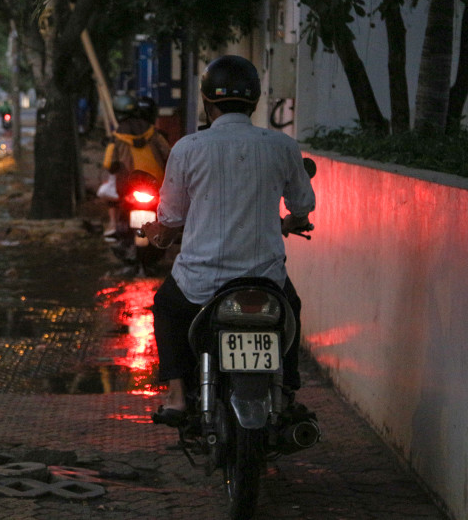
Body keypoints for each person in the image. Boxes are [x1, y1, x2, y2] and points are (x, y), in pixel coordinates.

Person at [141, 55, 316, 423]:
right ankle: (287, 389)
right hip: (265, 280)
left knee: (166, 308)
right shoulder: (282, 146)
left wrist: (159, 236)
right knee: (291, 307)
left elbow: (171, 218)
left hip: (199, 284)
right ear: (254, 102)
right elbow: (303, 205)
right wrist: (291, 221)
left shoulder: (188, 148)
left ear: (207, 102)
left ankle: (176, 396)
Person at [101, 93, 171, 237]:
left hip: (129, 187)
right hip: (156, 185)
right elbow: (169, 155)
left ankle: (115, 226)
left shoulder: (117, 137)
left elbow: (108, 163)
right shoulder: (153, 132)